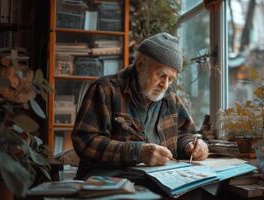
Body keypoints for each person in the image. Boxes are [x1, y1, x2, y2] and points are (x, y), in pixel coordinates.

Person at [72, 32, 209, 180]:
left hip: (159, 181)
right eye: (161, 75)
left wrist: (191, 146)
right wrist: (137, 152)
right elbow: (85, 141)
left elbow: (184, 134)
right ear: (140, 65)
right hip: (108, 183)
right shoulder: (105, 90)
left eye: (171, 79)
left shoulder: (170, 99)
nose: (165, 84)